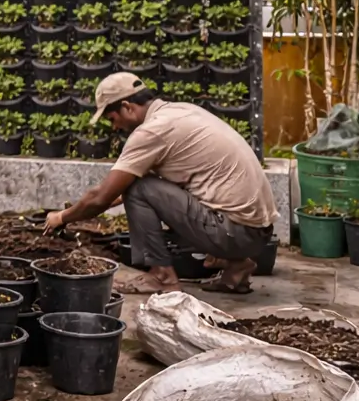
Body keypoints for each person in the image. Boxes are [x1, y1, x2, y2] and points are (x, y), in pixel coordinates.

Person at [44, 72, 276, 296]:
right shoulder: (180, 111)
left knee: (139, 188)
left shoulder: (151, 132)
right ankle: (237, 266)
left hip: (235, 233)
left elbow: (101, 197)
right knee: (146, 188)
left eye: (112, 119)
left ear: (127, 106)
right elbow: (116, 194)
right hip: (258, 234)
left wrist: (62, 217)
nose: (114, 127)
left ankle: (162, 277)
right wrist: (83, 210)